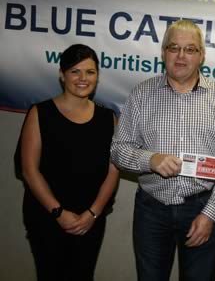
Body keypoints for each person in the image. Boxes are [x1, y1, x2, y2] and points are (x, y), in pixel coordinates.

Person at [110, 19, 215, 281]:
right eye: (174, 48)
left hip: (203, 207)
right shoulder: (141, 94)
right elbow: (118, 150)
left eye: (190, 49)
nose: (181, 56)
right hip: (151, 210)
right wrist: (150, 160)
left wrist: (210, 215)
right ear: (163, 53)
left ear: (201, 55)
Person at [20, 44, 120, 281]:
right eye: (75, 71)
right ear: (62, 75)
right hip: (47, 218)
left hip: (91, 220)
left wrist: (92, 214)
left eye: (90, 72)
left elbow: (113, 171)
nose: (83, 78)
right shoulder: (40, 113)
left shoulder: (108, 119)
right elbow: (29, 170)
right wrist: (58, 212)